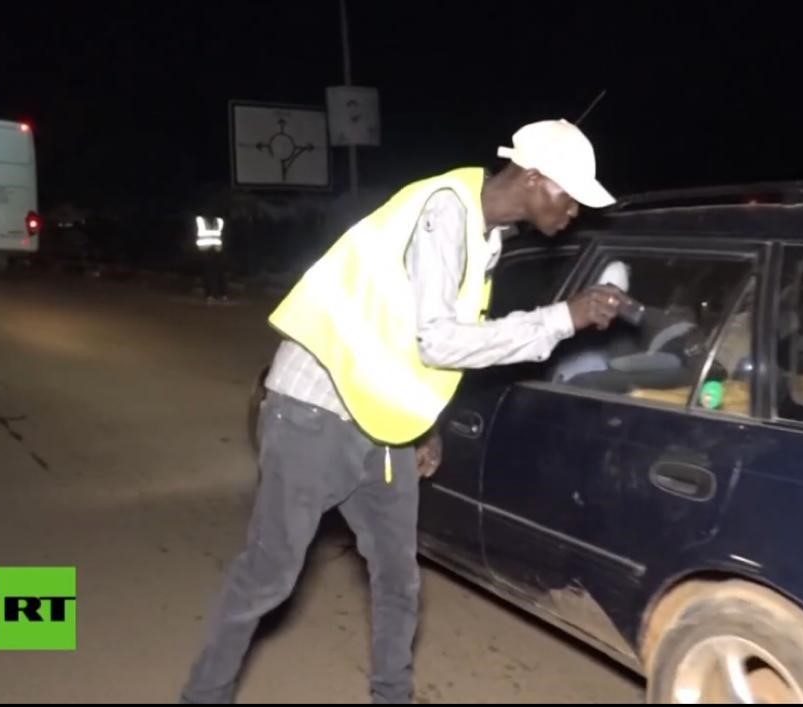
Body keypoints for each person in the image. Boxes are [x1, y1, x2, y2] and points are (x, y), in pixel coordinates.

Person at [179, 119, 632, 704]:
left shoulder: (486, 238)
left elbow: (415, 340)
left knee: (399, 581)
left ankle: (392, 696)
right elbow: (438, 340)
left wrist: (425, 424)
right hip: (316, 409)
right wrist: (561, 319)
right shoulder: (445, 212)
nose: (573, 211)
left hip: (383, 425)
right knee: (268, 578)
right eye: (568, 195)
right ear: (534, 177)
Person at [196, 215, 228, 302]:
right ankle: (216, 294)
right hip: (210, 250)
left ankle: (217, 294)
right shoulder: (217, 220)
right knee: (213, 273)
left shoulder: (201, 220)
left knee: (215, 273)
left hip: (213, 250)